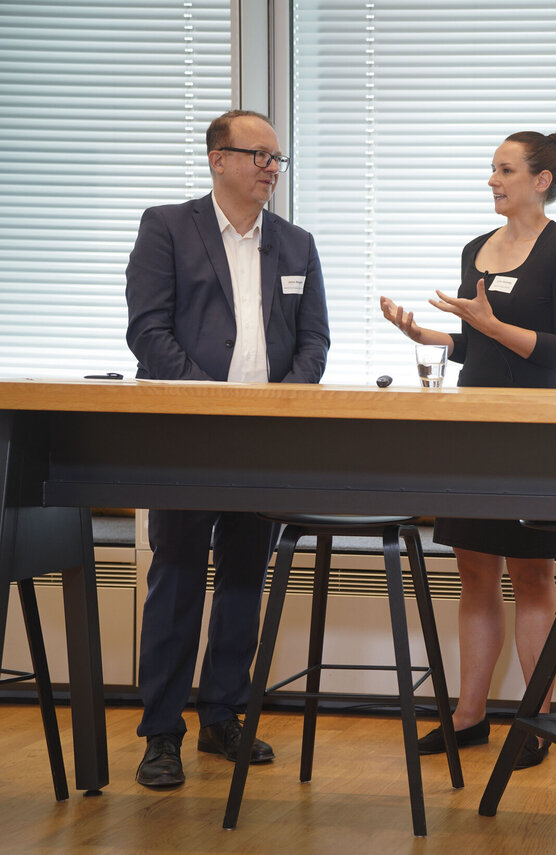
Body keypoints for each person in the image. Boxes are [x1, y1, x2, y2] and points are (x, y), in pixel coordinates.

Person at [125, 109, 330, 787]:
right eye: (259, 156)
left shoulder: (296, 245)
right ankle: (160, 732)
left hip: (265, 441)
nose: (271, 169)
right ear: (218, 159)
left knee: (245, 579)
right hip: (187, 434)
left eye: (278, 159)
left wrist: (278, 405)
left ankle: (221, 716)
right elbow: (148, 332)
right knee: (177, 578)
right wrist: (206, 401)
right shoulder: (168, 227)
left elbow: (314, 342)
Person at [379, 127, 556, 769]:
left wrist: (493, 325)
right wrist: (429, 335)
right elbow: (480, 345)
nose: (492, 181)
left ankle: (537, 721)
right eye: (492, 170)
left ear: (540, 180)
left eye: (503, 170)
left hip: (533, 428)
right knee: (473, 569)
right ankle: (469, 718)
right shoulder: (477, 247)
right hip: (473, 423)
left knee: (531, 574)